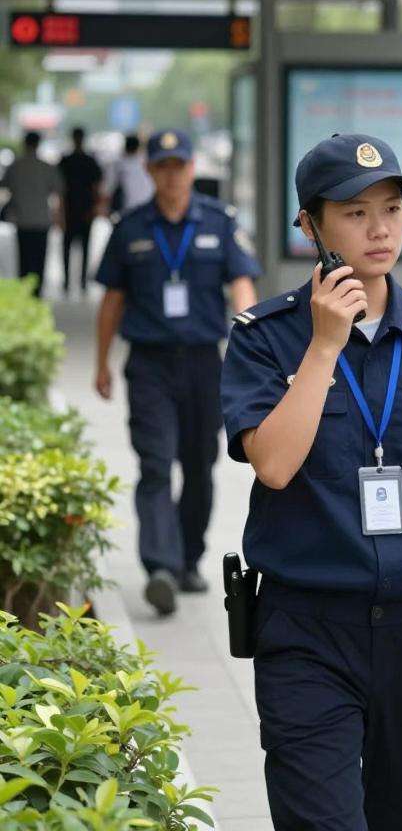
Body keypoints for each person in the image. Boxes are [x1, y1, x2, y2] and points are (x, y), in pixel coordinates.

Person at [220, 133, 402, 831]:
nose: (379, 229)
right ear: (310, 226)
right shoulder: (266, 337)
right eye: (355, 213)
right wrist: (324, 344)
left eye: (391, 208)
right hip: (307, 628)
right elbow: (273, 463)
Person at [94, 129, 260, 616]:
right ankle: (159, 567)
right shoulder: (131, 227)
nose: (171, 174)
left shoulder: (219, 221)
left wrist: (247, 344)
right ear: (149, 171)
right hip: (149, 365)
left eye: (179, 165)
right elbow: (112, 300)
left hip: (206, 364)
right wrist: (102, 362)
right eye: (162, 165)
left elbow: (242, 285)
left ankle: (188, 559)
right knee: (154, 464)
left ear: (192, 169)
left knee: (199, 466)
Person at [0, 131, 63, 296]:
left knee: (24, 259)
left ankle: (25, 291)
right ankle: (37, 291)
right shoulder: (46, 167)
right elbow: (58, 189)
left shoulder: (15, 166)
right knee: (39, 258)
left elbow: (5, 186)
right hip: (41, 219)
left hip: (22, 219)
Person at [58, 126, 104, 295]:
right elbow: (96, 188)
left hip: (77, 210)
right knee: (80, 248)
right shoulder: (87, 161)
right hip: (81, 210)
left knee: (71, 248)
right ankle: (78, 282)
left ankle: (70, 282)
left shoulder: (68, 161)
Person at [107, 132, 154, 215]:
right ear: (138, 147)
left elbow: (108, 188)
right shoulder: (147, 162)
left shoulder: (118, 164)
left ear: (125, 147)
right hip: (147, 209)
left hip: (127, 211)